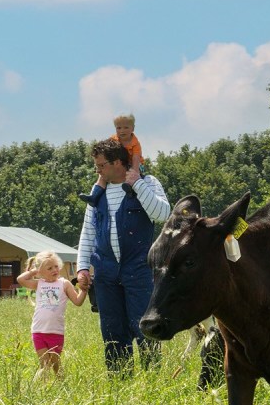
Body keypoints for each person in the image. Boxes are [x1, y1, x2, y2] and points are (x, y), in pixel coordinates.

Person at [76, 138, 171, 373]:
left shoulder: (148, 182)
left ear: (117, 162)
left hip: (138, 269)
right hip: (106, 271)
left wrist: (137, 184)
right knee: (112, 330)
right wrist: (82, 267)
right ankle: (119, 381)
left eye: (101, 165)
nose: (97, 171)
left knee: (145, 327)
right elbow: (88, 230)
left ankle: (152, 379)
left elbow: (163, 214)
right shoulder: (97, 192)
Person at [17, 250, 87, 378]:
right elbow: (20, 279)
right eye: (49, 268)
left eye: (56, 266)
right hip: (38, 331)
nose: (54, 269)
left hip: (56, 332)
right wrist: (34, 271)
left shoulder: (64, 284)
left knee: (56, 365)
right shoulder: (39, 284)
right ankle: (42, 389)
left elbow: (78, 301)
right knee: (44, 364)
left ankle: (61, 387)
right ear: (40, 272)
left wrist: (83, 290)